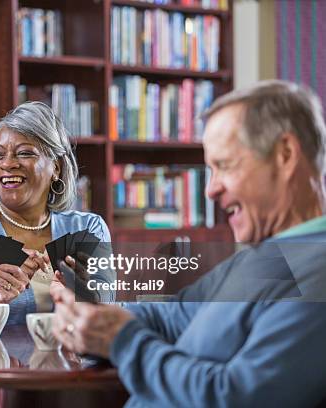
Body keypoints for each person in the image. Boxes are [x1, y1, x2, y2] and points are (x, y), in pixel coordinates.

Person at [52, 80, 326, 407]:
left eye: (224, 166)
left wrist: (122, 340)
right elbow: (173, 316)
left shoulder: (317, 273)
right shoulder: (270, 258)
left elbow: (237, 399)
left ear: (285, 155)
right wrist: (95, 319)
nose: (210, 190)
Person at [0, 101, 113, 325]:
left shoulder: (86, 229)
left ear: (56, 167)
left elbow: (106, 316)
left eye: (25, 153)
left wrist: (82, 294)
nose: (7, 164)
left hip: (70, 359)